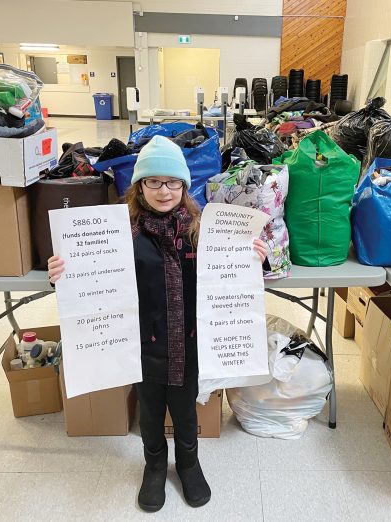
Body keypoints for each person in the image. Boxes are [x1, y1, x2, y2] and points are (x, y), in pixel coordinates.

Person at [47, 135, 267, 512]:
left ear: (184, 185)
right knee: (149, 412)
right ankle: (153, 465)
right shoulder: (119, 233)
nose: (164, 191)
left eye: (173, 182)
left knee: (184, 410)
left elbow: (226, 280)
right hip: (142, 344)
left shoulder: (204, 231)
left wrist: (251, 258)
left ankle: (187, 463)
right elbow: (93, 278)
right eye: (154, 181)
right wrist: (64, 273)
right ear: (139, 185)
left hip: (190, 343)